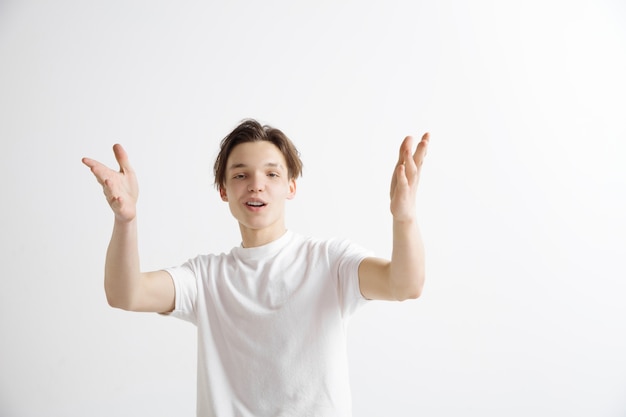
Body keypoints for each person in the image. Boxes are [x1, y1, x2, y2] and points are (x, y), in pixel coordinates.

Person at [82, 119, 429, 417]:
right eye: (240, 174)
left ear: (291, 186)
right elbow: (126, 294)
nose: (256, 184)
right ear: (223, 190)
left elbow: (404, 284)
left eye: (272, 173)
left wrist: (405, 218)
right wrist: (125, 220)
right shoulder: (206, 278)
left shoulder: (330, 261)